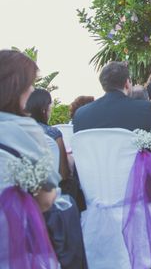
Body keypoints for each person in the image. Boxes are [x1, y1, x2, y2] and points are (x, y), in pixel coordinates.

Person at [0, 49, 87, 269]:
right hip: (17, 237)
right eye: (29, 84)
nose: (31, 90)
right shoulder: (25, 130)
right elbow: (45, 199)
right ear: (15, 87)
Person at [72, 62, 151, 226]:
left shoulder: (81, 115)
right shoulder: (145, 109)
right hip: (135, 185)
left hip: (95, 188)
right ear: (127, 83)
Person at [25, 88, 71, 179]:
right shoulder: (53, 133)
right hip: (51, 188)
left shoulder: (17, 131)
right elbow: (63, 174)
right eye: (50, 105)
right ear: (44, 109)